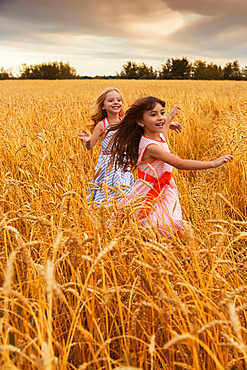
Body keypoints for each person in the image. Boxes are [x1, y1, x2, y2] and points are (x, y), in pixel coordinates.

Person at [109, 96, 233, 238]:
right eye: (153, 115)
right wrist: (212, 163)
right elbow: (179, 163)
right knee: (158, 227)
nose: (160, 117)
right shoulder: (151, 147)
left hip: (164, 189)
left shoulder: (157, 137)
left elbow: (164, 139)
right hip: (150, 190)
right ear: (140, 121)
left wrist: (169, 119)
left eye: (162, 112)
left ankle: (173, 254)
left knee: (165, 228)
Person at [78, 88, 183, 205]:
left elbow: (147, 126)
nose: (116, 102)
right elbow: (90, 145)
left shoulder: (125, 122)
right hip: (107, 164)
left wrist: (167, 124)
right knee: (106, 189)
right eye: (111, 100)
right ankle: (105, 209)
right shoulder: (102, 125)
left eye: (118, 100)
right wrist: (88, 140)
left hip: (123, 161)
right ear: (103, 106)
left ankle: (122, 209)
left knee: (124, 188)